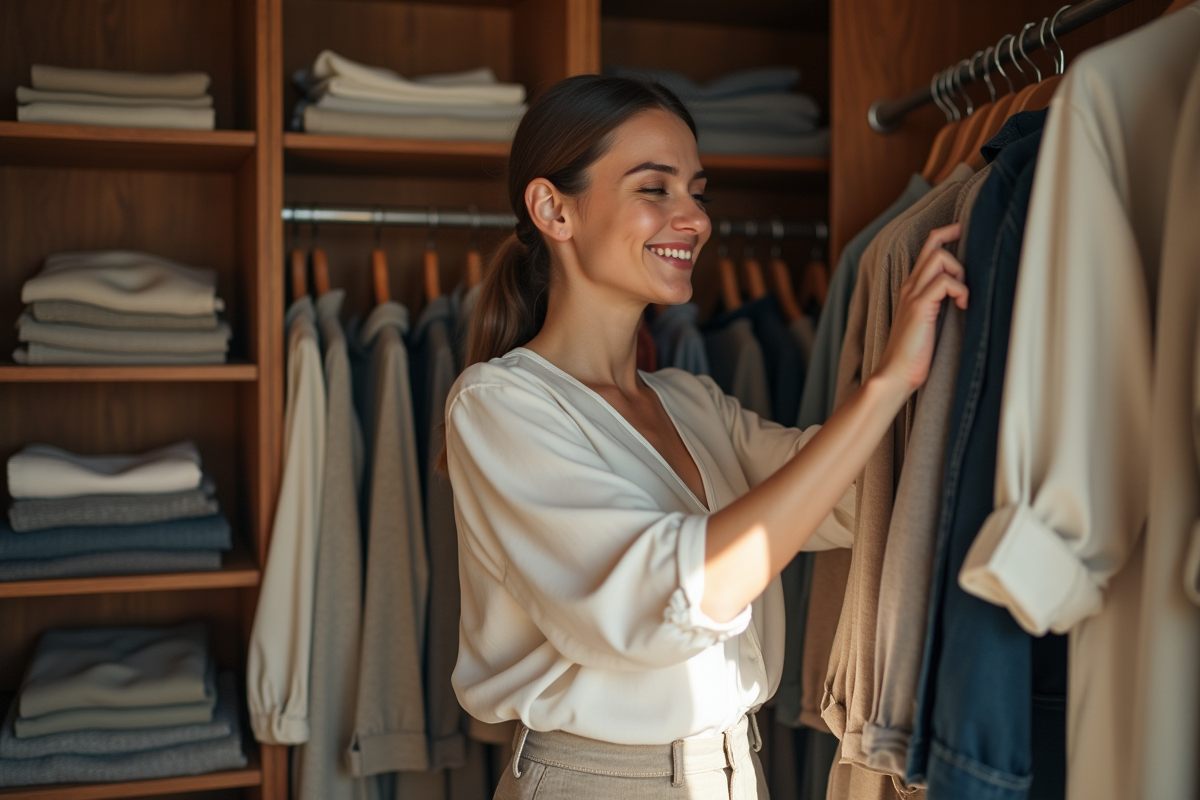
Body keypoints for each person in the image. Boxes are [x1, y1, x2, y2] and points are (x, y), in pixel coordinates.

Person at [444, 75, 966, 800]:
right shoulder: (500, 405)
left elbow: (851, 498)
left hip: (731, 772)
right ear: (552, 209)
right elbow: (663, 597)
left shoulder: (692, 402)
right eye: (655, 189)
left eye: (698, 192)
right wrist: (882, 386)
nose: (695, 218)